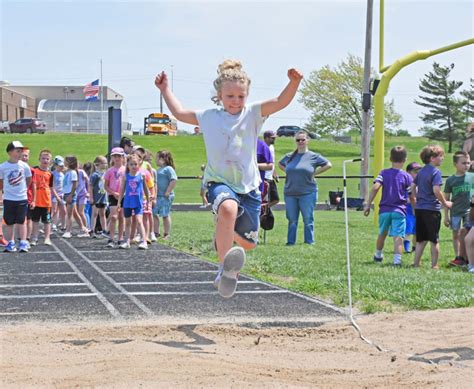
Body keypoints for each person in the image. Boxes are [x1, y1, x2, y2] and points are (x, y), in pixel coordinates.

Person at [155, 59, 303, 298]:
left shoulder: (253, 114)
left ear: (247, 95)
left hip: (249, 187)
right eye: (230, 96)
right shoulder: (209, 116)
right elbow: (180, 113)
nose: (236, 101)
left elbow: (280, 102)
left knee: (249, 244)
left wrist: (293, 83)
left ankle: (224, 233)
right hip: (218, 181)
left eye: (241, 97)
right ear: (219, 95)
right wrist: (165, 90)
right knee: (228, 209)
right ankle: (224, 269)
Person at [278, 130, 332, 246]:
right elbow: (280, 164)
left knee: (308, 219)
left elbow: (328, 164)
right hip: (290, 193)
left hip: (308, 192)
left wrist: (315, 173)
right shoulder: (289, 156)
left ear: (308, 140)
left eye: (303, 139)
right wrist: (288, 172)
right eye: (298, 140)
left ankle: (309, 242)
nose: (300, 142)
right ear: (295, 141)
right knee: (292, 220)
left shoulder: (313, 156)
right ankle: (290, 242)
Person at [363, 146, 415, 266]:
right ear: (405, 159)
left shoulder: (383, 173)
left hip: (384, 210)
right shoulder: (407, 176)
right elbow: (411, 195)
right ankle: (397, 261)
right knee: (398, 236)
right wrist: (414, 208)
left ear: (390, 158)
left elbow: (375, 187)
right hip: (400, 211)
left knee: (382, 233)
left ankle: (378, 255)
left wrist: (368, 204)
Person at [412, 145, 452, 269]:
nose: (442, 159)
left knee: (421, 239)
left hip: (420, 209)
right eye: (441, 156)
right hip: (432, 209)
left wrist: (418, 198)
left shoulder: (421, 172)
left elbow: (412, 187)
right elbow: (436, 190)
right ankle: (434, 265)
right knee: (434, 239)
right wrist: (445, 203)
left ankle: (416, 263)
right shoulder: (436, 172)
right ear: (432, 158)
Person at [0, 141, 32, 252]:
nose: (20, 154)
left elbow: (28, 180)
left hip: (21, 198)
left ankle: (23, 242)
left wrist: (22, 191)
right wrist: (2, 196)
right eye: (17, 151)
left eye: (21, 151)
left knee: (22, 221)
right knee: (9, 222)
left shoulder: (24, 166)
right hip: (9, 198)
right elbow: (1, 183)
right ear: (10, 152)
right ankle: (11, 242)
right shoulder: (3, 167)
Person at [443, 151, 472, 267]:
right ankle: (458, 256)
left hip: (469, 212)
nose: (466, 165)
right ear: (455, 164)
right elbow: (446, 199)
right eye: (463, 163)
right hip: (455, 212)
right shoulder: (451, 180)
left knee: (466, 234)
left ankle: (467, 257)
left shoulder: (472, 177)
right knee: (456, 234)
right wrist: (446, 216)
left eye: (468, 163)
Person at [117, 154, 150, 250]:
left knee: (139, 221)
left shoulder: (142, 176)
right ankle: (127, 241)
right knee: (127, 222)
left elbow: (146, 189)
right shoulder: (125, 177)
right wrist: (119, 202)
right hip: (127, 203)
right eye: (131, 164)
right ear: (128, 165)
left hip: (138, 203)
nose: (134, 166)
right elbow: (122, 190)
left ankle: (144, 241)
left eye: (135, 164)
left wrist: (148, 200)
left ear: (139, 165)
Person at [30, 150, 56, 246]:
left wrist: (57, 198)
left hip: (46, 202)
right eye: (43, 158)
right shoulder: (34, 171)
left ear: (50, 161)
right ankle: (35, 237)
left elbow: (51, 187)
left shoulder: (50, 174)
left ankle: (47, 238)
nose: (45, 160)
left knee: (47, 221)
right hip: (36, 201)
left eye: (47, 159)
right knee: (35, 220)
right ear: (39, 159)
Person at [104, 147, 126, 248]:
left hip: (124, 196)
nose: (117, 158)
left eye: (119, 156)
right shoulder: (109, 171)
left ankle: (120, 238)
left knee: (121, 217)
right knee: (113, 217)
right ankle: (111, 238)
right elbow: (106, 186)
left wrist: (122, 193)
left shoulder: (126, 170)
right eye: (115, 156)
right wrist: (113, 193)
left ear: (122, 157)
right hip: (113, 196)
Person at [153, 150, 178, 240]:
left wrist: (168, 191)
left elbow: (174, 180)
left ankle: (167, 233)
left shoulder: (168, 169)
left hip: (166, 196)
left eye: (157, 158)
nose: (155, 160)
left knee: (165, 214)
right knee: (154, 213)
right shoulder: (158, 170)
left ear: (163, 159)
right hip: (158, 196)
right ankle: (156, 232)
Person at [89, 156, 109, 238]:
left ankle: (104, 230)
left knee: (102, 214)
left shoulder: (106, 174)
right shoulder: (95, 175)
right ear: (98, 164)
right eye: (104, 163)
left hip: (103, 197)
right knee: (95, 213)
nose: (105, 165)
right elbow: (90, 187)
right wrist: (91, 197)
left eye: (106, 163)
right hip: (96, 197)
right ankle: (92, 230)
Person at [403, 162, 421, 253]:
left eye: (419, 172)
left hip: (418, 210)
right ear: (408, 172)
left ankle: (415, 247)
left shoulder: (420, 184)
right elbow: (405, 198)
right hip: (408, 210)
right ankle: (406, 248)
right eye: (415, 172)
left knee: (417, 231)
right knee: (408, 230)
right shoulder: (406, 184)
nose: (418, 174)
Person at [263, 130, 280, 207]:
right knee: (264, 199)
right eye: (272, 138)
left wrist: (274, 172)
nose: (274, 139)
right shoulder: (262, 148)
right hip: (264, 178)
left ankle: (263, 209)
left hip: (270, 178)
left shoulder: (272, 147)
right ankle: (262, 212)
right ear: (266, 138)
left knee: (275, 199)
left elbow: (272, 162)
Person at [51, 156, 66, 231]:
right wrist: (56, 197)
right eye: (60, 166)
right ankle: (53, 224)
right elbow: (52, 187)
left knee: (63, 210)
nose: (61, 167)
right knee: (54, 210)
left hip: (61, 194)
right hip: (54, 195)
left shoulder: (63, 175)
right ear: (55, 165)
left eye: (62, 166)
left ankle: (63, 224)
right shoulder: (53, 174)